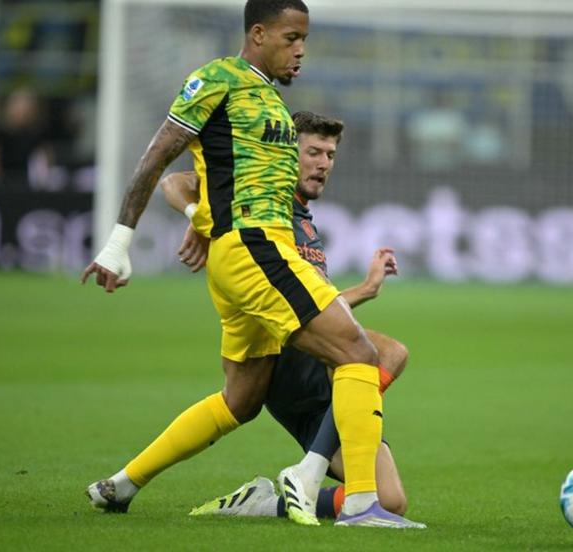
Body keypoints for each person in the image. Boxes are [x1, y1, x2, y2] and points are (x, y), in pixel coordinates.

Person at [81, 0, 423, 529]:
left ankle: (121, 485)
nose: (301, 50)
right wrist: (118, 242)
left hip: (245, 254)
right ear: (258, 33)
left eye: (304, 39)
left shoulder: (268, 102)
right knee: (361, 351)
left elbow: (226, 175)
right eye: (291, 38)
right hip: (255, 249)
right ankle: (358, 505)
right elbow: (160, 157)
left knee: (240, 400)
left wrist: (205, 220)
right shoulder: (217, 79)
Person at [160, 111, 418, 524]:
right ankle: (310, 469)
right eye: (313, 151)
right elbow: (173, 182)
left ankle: (266, 502)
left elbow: (317, 308)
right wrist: (201, 220)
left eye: (330, 155)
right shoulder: (263, 210)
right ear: (284, 154)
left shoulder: (304, 221)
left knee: (390, 501)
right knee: (389, 353)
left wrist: (364, 291)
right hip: (294, 367)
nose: (323, 163)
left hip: (328, 371)